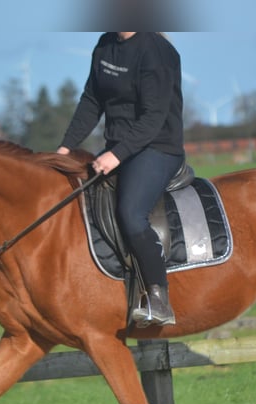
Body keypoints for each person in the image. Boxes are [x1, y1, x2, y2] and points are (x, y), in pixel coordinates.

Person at [57, 32, 185, 326]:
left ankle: (158, 298)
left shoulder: (157, 51)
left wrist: (117, 155)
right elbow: (91, 101)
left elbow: (154, 116)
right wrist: (65, 148)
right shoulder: (105, 45)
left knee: (131, 214)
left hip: (157, 148)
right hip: (118, 148)